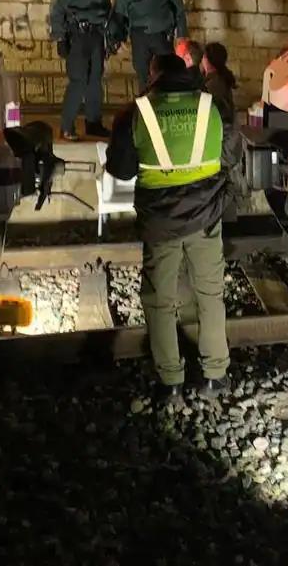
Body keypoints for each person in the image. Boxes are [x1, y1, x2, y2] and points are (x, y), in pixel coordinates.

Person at [106, 53, 230, 404]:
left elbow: (122, 170)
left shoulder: (136, 112)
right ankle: (215, 376)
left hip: (161, 222)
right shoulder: (212, 106)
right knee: (210, 295)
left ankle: (171, 381)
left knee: (160, 301)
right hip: (206, 217)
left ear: (153, 75)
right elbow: (227, 151)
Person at [49, 0, 113, 140]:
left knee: (95, 81)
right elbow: (57, 8)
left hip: (96, 36)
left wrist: (111, 38)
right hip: (76, 36)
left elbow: (106, 11)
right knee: (78, 81)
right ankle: (67, 126)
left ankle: (93, 123)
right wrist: (59, 37)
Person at [114, 0, 188, 93]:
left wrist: (181, 35)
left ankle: (165, 112)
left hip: (162, 35)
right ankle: (144, 113)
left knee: (166, 76)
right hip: (139, 37)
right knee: (143, 77)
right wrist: (118, 38)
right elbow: (120, 11)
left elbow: (178, 8)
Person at [202, 42, 245, 222]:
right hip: (226, 144)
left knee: (218, 188)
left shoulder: (214, 84)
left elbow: (220, 118)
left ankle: (221, 226)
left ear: (207, 60)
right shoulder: (217, 80)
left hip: (222, 146)